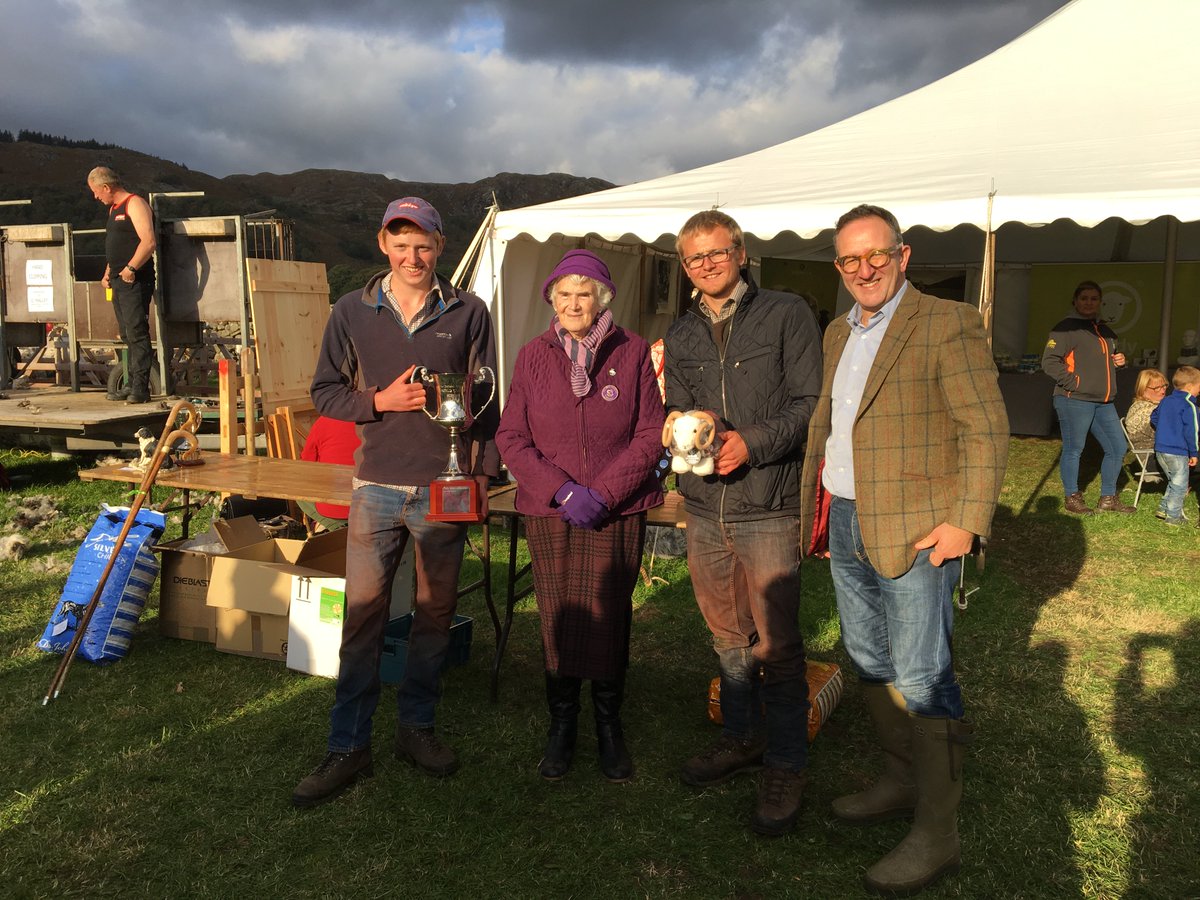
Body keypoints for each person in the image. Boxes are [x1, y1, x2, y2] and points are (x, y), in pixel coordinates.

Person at [800, 205, 1008, 895]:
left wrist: (965, 522)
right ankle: (897, 780)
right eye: (849, 260)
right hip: (850, 521)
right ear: (839, 266)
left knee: (922, 675)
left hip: (921, 526)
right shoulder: (838, 330)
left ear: (903, 254)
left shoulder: (947, 322)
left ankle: (938, 833)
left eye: (876, 255)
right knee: (867, 658)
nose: (864, 269)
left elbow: (985, 429)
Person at [293, 197, 499, 807]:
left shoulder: (469, 312)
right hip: (376, 486)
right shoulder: (352, 311)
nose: (413, 256)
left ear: (441, 246)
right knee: (364, 617)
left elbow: (485, 401)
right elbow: (325, 392)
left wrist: (482, 477)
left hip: (445, 485)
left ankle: (417, 729)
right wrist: (378, 402)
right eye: (400, 243)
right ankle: (348, 744)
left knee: (434, 615)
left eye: (425, 245)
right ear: (383, 244)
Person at [663, 210, 821, 836]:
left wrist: (751, 443)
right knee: (727, 635)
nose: (706, 265)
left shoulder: (786, 314)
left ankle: (785, 761)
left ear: (741, 253)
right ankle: (740, 737)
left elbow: (810, 404)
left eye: (716, 253)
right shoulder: (680, 334)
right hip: (704, 508)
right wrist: (672, 427)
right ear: (685, 266)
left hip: (767, 501)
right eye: (694, 258)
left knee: (776, 644)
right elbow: (679, 406)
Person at [495, 250, 664, 783]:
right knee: (558, 615)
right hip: (552, 509)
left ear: (602, 299)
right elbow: (511, 438)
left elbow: (649, 432)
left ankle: (609, 727)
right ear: (551, 299)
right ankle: (562, 725)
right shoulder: (531, 356)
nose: (573, 303)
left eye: (584, 293)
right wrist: (563, 491)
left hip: (616, 509)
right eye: (563, 294)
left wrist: (606, 492)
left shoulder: (633, 351)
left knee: (611, 615)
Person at [1041, 280, 1135, 515]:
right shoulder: (1065, 328)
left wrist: (1120, 362)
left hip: (1104, 402)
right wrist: (1075, 383)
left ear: (1099, 302)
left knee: (1118, 447)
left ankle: (1108, 497)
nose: (1089, 303)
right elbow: (1049, 362)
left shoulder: (1105, 331)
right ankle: (1072, 496)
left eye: (1094, 299)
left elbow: (1109, 361)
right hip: (1074, 399)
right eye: (1084, 298)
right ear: (1075, 301)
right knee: (1074, 449)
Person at [88, 166, 156, 403]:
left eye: (96, 192)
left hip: (135, 278)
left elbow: (148, 241)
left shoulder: (134, 204)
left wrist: (131, 268)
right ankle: (130, 382)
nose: (96, 197)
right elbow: (116, 244)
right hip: (118, 278)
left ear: (107, 187)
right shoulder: (113, 210)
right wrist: (108, 272)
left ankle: (141, 388)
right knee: (127, 333)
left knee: (137, 332)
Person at [1149, 365, 1200, 526]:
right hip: (1178, 451)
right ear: (1190, 387)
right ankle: (1173, 516)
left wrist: (1166, 428)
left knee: (1174, 481)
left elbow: (1154, 417)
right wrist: (1194, 452)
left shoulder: (1166, 401)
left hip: (1161, 449)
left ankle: (1164, 508)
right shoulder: (1190, 406)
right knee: (1180, 484)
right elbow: (1192, 431)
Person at [297, 415, 361, 531]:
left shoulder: (323, 421)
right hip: (377, 507)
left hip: (334, 509)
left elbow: (306, 465)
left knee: (298, 491)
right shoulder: (382, 421)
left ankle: (333, 526)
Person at [1125, 368, 1169, 451]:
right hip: (1150, 454)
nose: (1163, 391)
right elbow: (1166, 434)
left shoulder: (1157, 405)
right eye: (1157, 388)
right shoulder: (1145, 410)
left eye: (1164, 386)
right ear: (1144, 389)